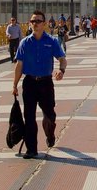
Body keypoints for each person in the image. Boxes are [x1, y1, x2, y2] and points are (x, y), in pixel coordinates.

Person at [12, 10, 67, 159]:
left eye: (38, 21)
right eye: (32, 21)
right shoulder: (25, 42)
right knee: (29, 117)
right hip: (29, 83)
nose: (35, 24)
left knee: (50, 115)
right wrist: (14, 85)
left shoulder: (52, 41)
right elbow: (19, 65)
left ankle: (50, 134)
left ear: (44, 24)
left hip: (45, 83)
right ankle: (32, 149)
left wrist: (61, 70)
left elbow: (62, 58)